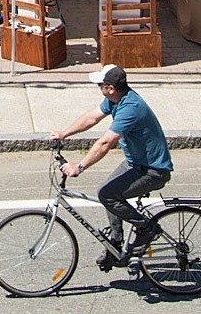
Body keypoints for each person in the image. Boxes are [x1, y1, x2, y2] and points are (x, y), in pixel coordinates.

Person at [55, 64, 174, 269]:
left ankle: (147, 229)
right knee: (106, 192)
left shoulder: (130, 108)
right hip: (135, 163)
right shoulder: (116, 99)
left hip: (153, 170)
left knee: (109, 195)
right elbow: (91, 118)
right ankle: (116, 245)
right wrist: (63, 134)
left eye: (100, 84)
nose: (98, 87)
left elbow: (105, 143)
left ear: (110, 88)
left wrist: (80, 167)